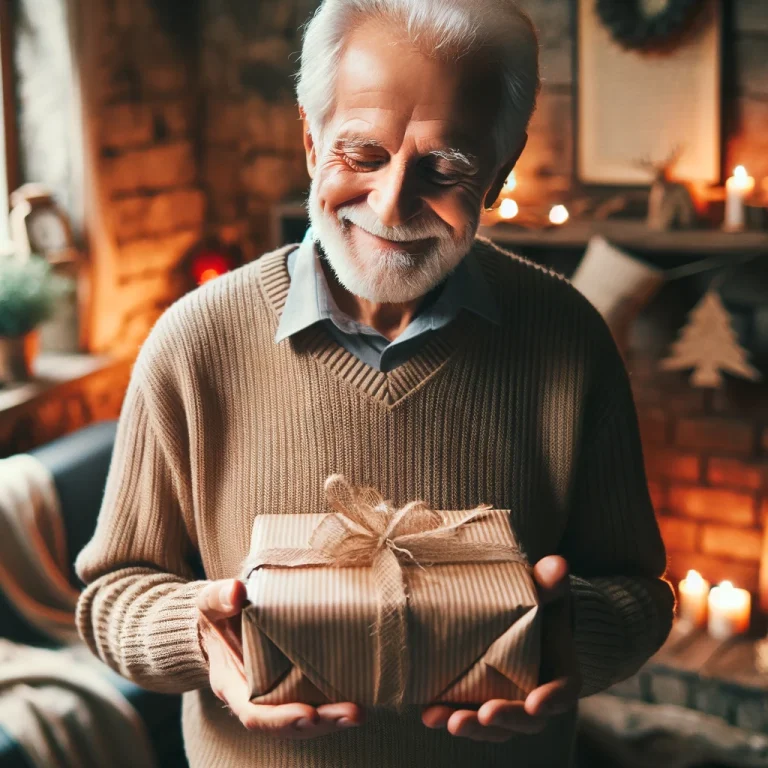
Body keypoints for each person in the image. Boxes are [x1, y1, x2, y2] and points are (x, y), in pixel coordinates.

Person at [75, 1, 675, 766]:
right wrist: (200, 632)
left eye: (447, 167)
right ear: (308, 138)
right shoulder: (195, 343)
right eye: (361, 153)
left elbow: (639, 595)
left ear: (502, 168)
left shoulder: (569, 339)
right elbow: (111, 598)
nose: (391, 204)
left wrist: (565, 637)